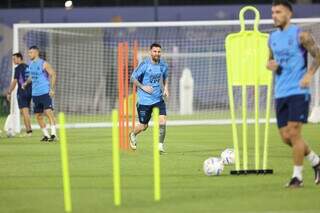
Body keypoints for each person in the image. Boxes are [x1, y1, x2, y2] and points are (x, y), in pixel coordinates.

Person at [267, 0, 320, 187]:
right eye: (273, 12)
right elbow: (270, 61)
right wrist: (270, 65)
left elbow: (318, 55)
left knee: (295, 134)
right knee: (286, 137)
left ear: (289, 14)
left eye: (278, 12)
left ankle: (297, 177)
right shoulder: (272, 38)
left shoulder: (301, 35)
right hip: (280, 93)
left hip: (298, 90)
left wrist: (309, 74)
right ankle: (316, 161)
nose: (274, 15)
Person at [129, 43, 169, 154]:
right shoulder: (144, 64)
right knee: (143, 126)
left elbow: (165, 77)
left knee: (162, 120)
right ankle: (132, 134)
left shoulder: (163, 65)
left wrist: (166, 88)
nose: (157, 53)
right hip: (144, 100)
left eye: (159, 51)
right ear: (150, 52)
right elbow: (132, 78)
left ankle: (160, 146)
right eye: (155, 51)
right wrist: (143, 87)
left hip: (158, 98)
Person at [24, 46, 57, 142]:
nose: (29, 54)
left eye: (31, 52)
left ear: (36, 53)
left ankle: (54, 134)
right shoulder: (31, 64)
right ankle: (46, 135)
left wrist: (51, 89)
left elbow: (53, 74)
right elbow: (31, 76)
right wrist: (26, 82)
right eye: (29, 52)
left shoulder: (44, 63)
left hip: (45, 92)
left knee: (48, 112)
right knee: (38, 115)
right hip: (35, 94)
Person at [6, 53, 32, 136]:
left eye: (14, 59)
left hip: (22, 92)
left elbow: (14, 82)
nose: (13, 61)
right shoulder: (28, 66)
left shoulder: (18, 68)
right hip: (30, 91)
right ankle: (29, 130)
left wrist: (9, 92)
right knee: (26, 111)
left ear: (20, 58)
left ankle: (29, 132)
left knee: (24, 112)